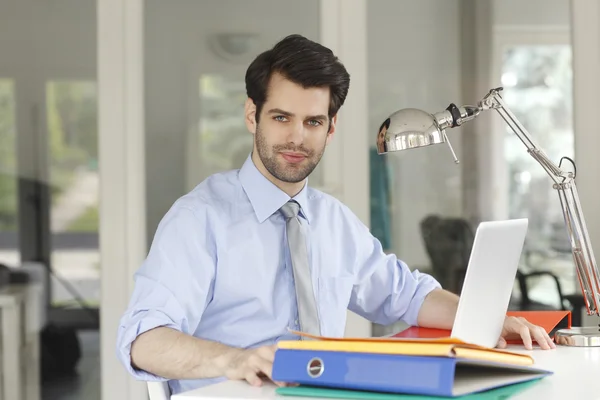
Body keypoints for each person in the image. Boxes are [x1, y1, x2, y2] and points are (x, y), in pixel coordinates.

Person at [116, 34, 555, 395]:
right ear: (253, 116)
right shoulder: (198, 219)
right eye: (281, 117)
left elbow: (406, 295)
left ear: (331, 127)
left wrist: (490, 318)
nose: (295, 137)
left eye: (312, 122)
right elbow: (141, 340)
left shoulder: (333, 221)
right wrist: (236, 360)